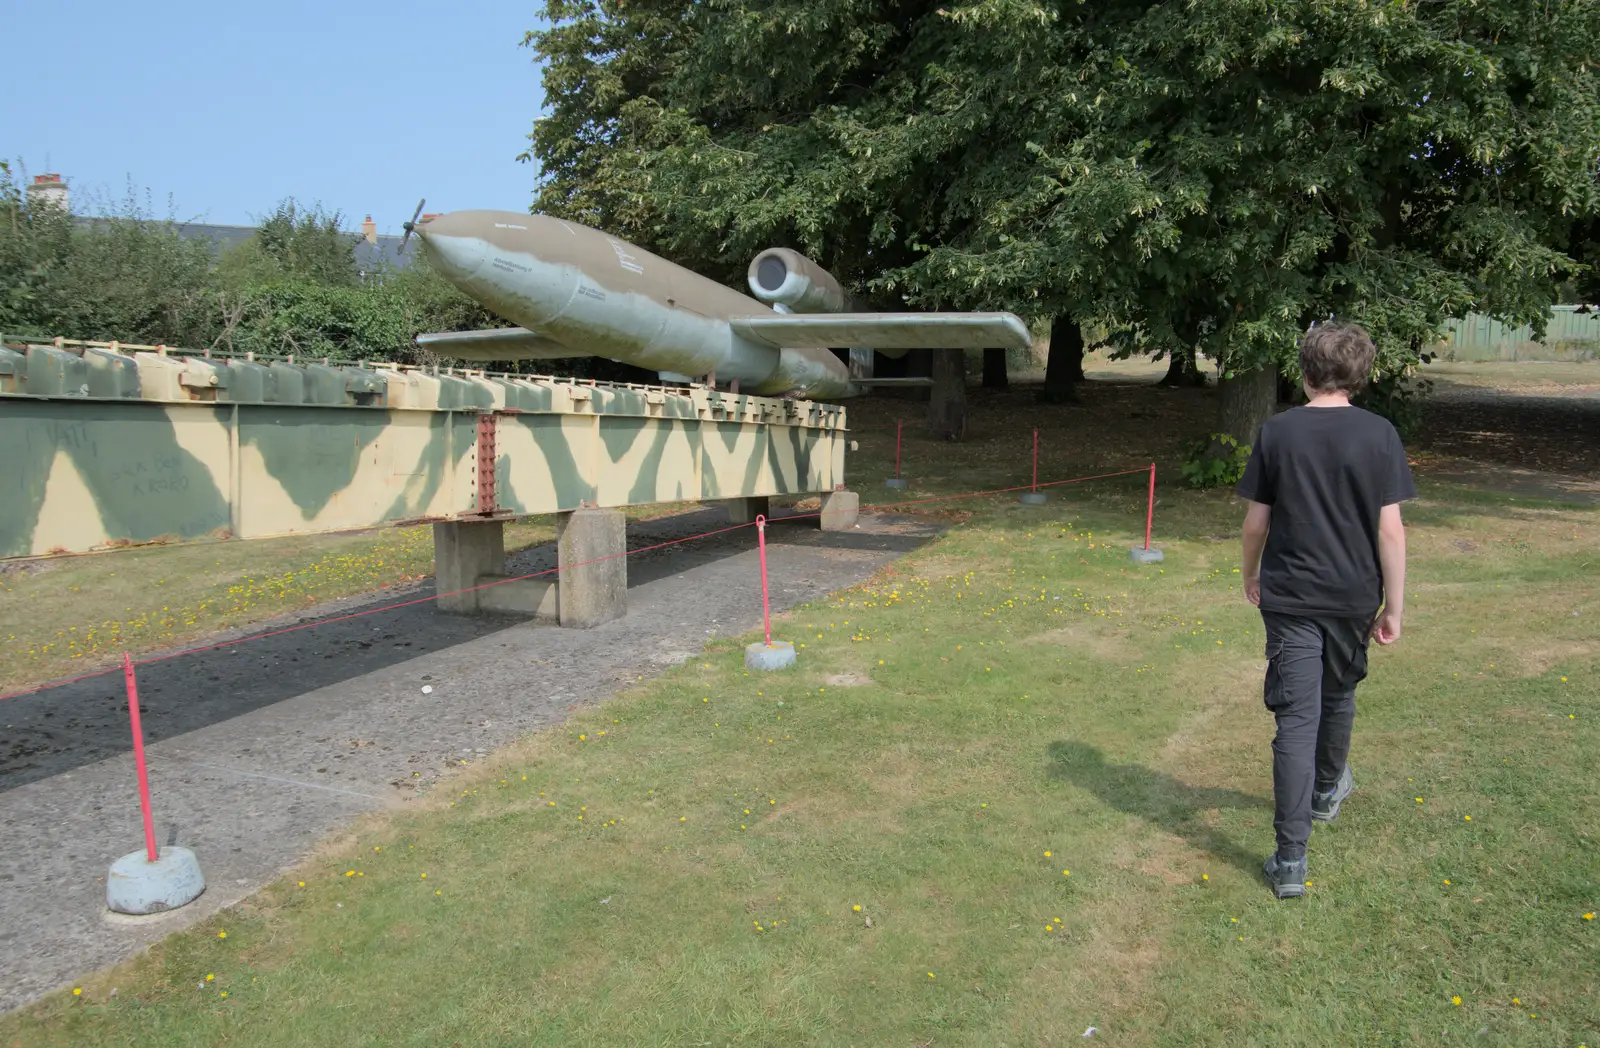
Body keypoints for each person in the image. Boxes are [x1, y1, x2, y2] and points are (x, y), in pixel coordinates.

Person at [1236, 321, 1416, 899]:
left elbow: (1256, 522)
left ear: (1305, 371)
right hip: (1352, 596)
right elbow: (1392, 533)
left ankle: (1293, 857)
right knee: (1336, 696)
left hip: (1291, 597)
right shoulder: (1380, 433)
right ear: (1359, 374)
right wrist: (1394, 605)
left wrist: (1248, 571)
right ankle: (1323, 793)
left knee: (1298, 718)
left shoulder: (1279, 432)